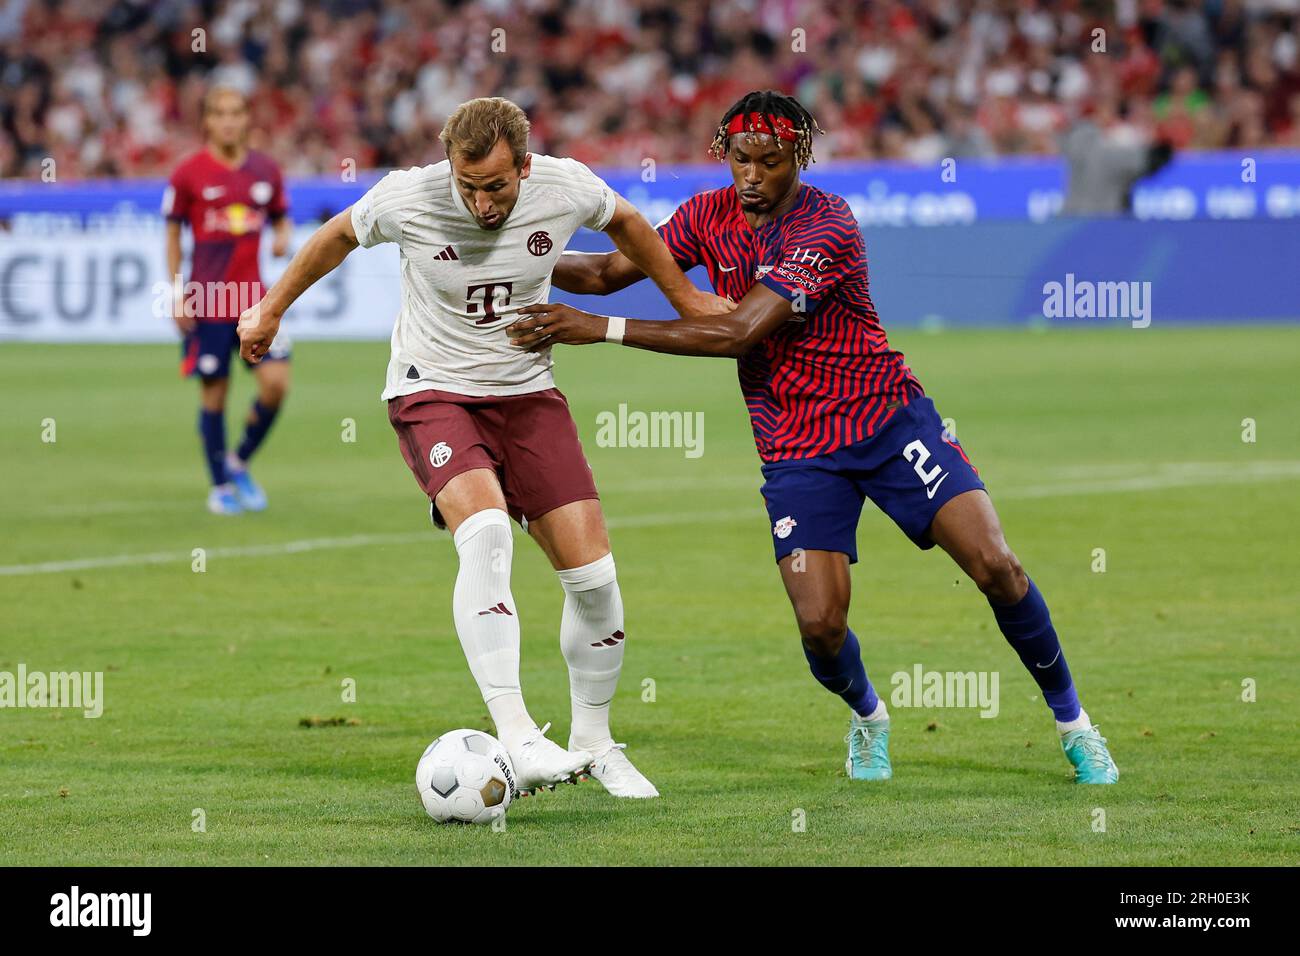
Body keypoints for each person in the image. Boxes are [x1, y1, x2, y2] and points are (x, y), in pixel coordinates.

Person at [509, 90, 1120, 785]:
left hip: (888, 421)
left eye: (769, 162)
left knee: (997, 566)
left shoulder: (826, 222)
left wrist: (599, 329)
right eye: (741, 159)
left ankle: (1076, 727)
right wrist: (514, 250)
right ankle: (868, 716)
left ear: (798, 157)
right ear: (724, 154)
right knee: (821, 627)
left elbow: (739, 330)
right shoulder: (705, 216)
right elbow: (606, 272)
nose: (753, 176)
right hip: (796, 448)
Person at [237, 96, 729, 797]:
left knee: (595, 583)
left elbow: (625, 221)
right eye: (467, 186)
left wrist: (682, 296)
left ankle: (593, 743)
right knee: (488, 531)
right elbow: (337, 236)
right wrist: (271, 307)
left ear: (524, 168)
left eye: (495, 186)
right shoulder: (410, 196)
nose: (481, 201)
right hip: (431, 389)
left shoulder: (565, 184)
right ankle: (519, 734)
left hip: (527, 394)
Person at [165, 86, 292, 515]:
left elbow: (280, 215)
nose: (229, 121)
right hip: (208, 301)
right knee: (214, 396)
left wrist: (282, 236)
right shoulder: (189, 173)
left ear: (247, 118)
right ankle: (219, 486)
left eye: (237, 112)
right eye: (220, 113)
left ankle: (238, 461)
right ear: (206, 121)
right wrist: (177, 290)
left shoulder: (266, 170)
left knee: (276, 384)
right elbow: (171, 233)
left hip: (255, 301)